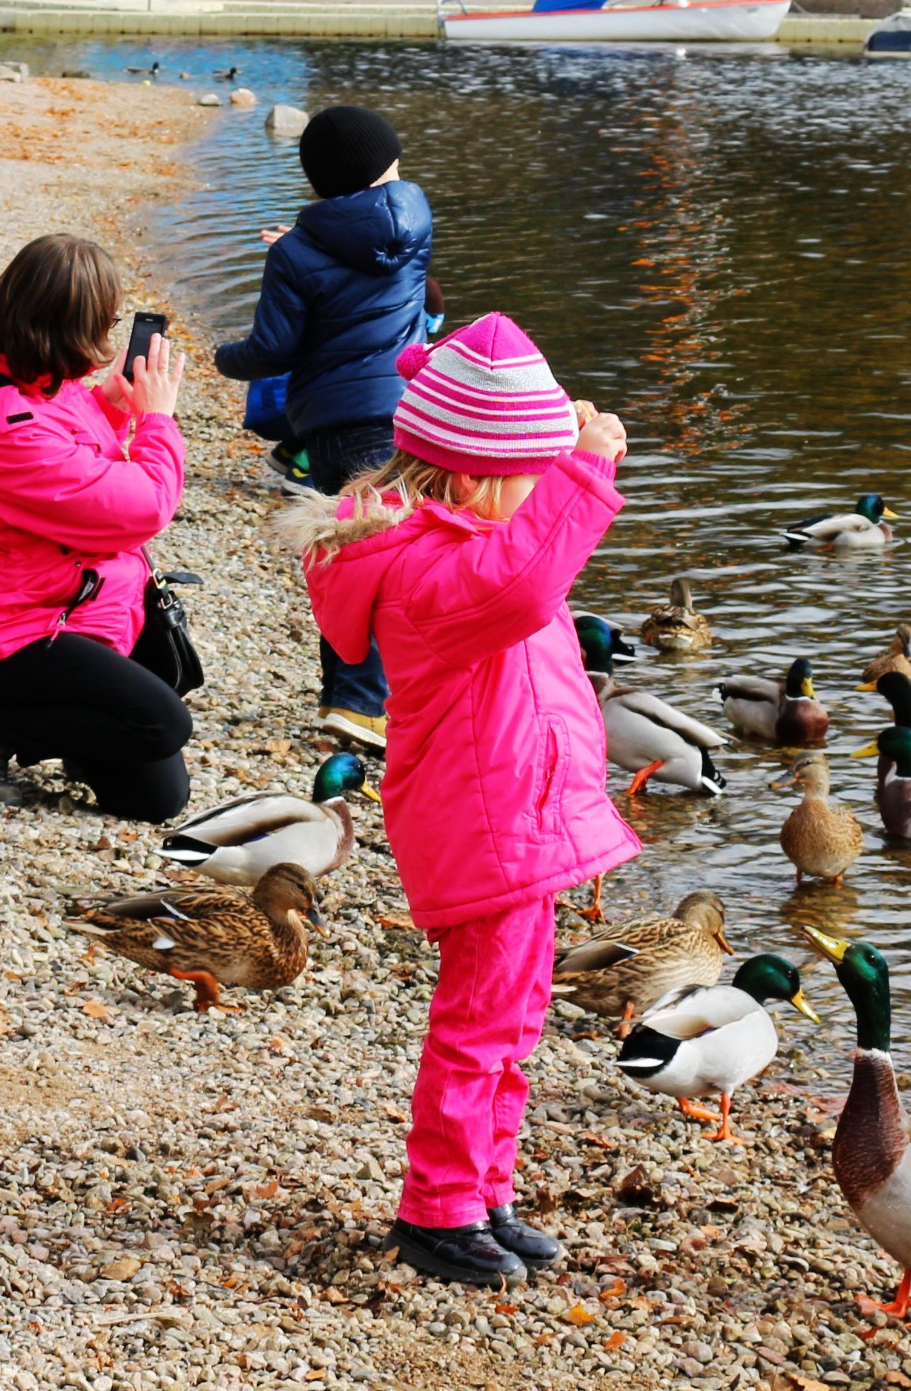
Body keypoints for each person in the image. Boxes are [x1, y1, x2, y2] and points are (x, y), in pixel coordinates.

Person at [283, 313, 636, 1288]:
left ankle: (485, 1187)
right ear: (479, 479)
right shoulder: (439, 568)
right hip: (487, 827)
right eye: (528, 480)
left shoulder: (466, 537)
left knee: (515, 1016)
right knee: (481, 1019)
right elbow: (525, 584)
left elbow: (529, 561)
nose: (537, 505)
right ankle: (435, 1208)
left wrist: (555, 466)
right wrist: (584, 473)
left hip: (517, 817)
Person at [0, 234, 193, 820]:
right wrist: (156, 421)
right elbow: (143, 505)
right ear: (69, 325)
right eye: (106, 321)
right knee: (162, 721)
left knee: (155, 800)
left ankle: (64, 726)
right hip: (13, 627)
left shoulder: (28, 368)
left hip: (76, 604)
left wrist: (114, 404)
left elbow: (69, 441)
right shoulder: (7, 428)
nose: (107, 335)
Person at [215, 104, 433, 753]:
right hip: (407, 415)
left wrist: (223, 356)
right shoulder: (416, 221)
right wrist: (301, 248)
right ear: (382, 170)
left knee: (346, 556)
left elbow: (272, 350)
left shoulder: (298, 254)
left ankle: (355, 703)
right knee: (397, 557)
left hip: (336, 424)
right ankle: (377, 702)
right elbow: (365, 249)